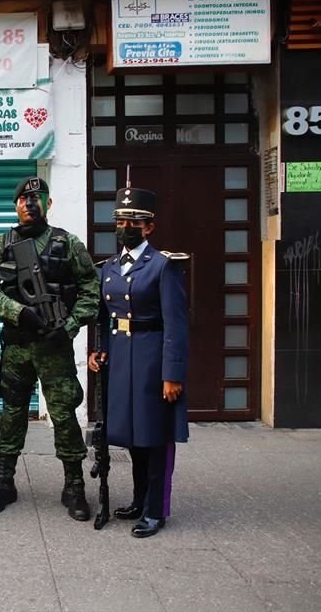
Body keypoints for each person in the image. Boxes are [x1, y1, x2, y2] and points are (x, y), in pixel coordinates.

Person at [0, 176, 99, 520]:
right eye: (23, 199)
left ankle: (74, 486)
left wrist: (71, 325)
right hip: (17, 345)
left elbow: (92, 287)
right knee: (12, 413)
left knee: (63, 415)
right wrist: (19, 312)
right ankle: (4, 482)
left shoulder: (68, 243)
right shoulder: (1, 243)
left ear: (48, 203)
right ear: (15, 205)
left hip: (55, 347)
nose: (30, 204)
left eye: (37, 198)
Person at [88, 187, 189, 538]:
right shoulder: (109, 268)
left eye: (133, 220)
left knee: (155, 437)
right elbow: (102, 316)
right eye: (120, 220)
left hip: (151, 359)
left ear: (149, 227)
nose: (125, 226)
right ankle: (138, 498)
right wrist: (98, 349)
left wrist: (172, 373)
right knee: (133, 436)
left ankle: (156, 510)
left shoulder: (163, 266)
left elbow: (177, 324)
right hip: (120, 360)